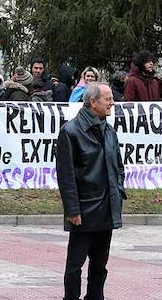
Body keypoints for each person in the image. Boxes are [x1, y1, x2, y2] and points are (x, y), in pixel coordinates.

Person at [56, 83, 126, 300]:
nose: (112, 103)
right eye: (108, 98)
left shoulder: (109, 130)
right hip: (84, 209)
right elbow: (65, 176)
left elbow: (118, 166)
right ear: (93, 102)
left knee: (100, 265)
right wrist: (73, 210)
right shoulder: (70, 131)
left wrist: (118, 189)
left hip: (107, 208)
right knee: (75, 265)